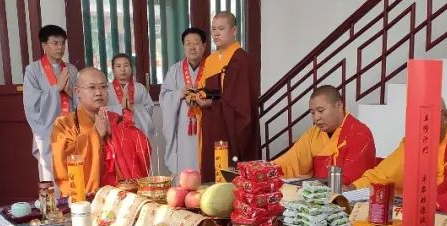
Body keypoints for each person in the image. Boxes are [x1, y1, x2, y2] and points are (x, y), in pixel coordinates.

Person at [352, 100, 447, 214]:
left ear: (445, 116)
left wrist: (423, 207)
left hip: (444, 221)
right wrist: (352, 189)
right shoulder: (414, 142)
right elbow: (382, 174)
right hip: (412, 216)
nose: (421, 128)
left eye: (427, 119)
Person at [51, 67, 151, 197]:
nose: (98, 92)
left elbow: (144, 147)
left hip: (121, 198)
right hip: (88, 201)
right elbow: (63, 165)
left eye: (103, 87)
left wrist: (116, 133)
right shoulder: (64, 125)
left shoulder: (117, 120)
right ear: (78, 92)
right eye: (92, 88)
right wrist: (95, 134)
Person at [197, 12, 261, 181]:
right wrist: (197, 97)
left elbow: (241, 103)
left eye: (221, 28)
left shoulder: (242, 60)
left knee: (229, 178)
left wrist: (211, 103)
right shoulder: (210, 60)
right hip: (212, 124)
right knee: (211, 179)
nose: (216, 33)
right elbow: (206, 90)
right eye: (213, 29)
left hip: (231, 127)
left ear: (234, 30)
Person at [274, 86, 376, 183]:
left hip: (347, 199)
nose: (316, 118)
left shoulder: (360, 134)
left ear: (339, 106)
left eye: (320, 111)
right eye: (312, 113)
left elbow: (349, 182)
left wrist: (312, 180)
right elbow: (290, 162)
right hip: (318, 195)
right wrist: (264, 171)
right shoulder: (313, 134)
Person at [24, 25, 78, 183]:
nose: (60, 47)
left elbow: (81, 99)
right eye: (55, 43)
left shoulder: (72, 69)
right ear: (44, 45)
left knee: (74, 175)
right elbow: (31, 103)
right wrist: (56, 89)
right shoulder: (33, 70)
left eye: (63, 43)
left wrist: (71, 94)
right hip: (48, 132)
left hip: (72, 130)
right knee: (51, 178)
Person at [160, 27, 208, 175]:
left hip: (206, 124)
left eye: (196, 43)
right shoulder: (174, 70)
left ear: (204, 45)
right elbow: (164, 96)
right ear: (183, 46)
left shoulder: (211, 67)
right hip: (183, 126)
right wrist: (179, 93)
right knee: (185, 167)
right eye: (188, 43)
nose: (192, 47)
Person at [106, 52, 154, 139]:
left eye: (126, 65)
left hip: (137, 130)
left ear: (131, 68)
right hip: (115, 134)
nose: (123, 69)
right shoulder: (106, 89)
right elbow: (102, 110)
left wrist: (134, 108)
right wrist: (120, 108)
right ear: (113, 69)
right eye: (118, 66)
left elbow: (149, 108)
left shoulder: (140, 87)